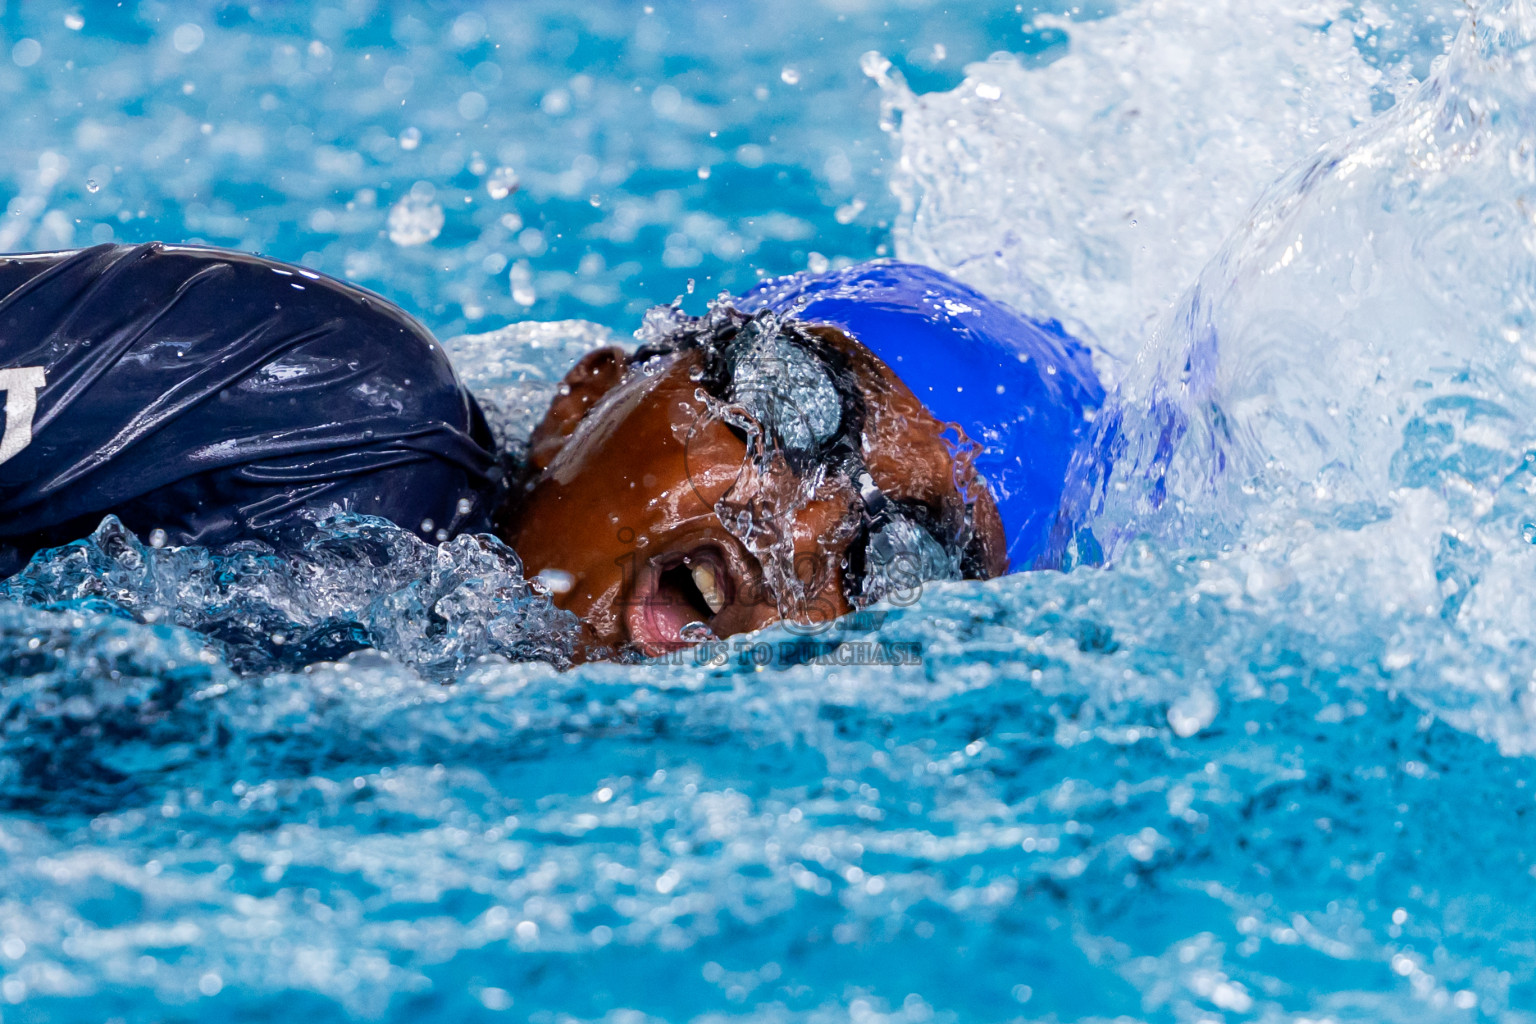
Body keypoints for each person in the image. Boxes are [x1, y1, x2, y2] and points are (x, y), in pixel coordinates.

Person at [0, 242, 1103, 661]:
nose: (807, 528)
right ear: (586, 396)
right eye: (798, 403)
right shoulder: (320, 400)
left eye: (901, 558)